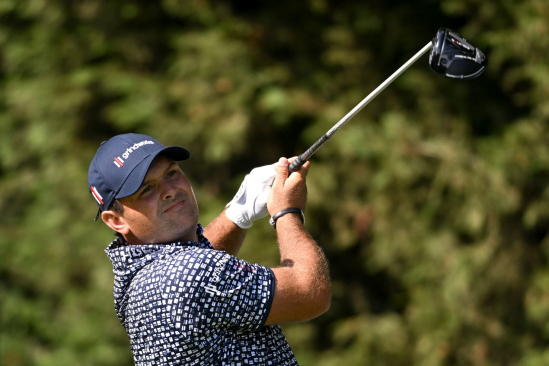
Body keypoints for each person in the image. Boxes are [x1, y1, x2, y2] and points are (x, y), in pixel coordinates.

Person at [88, 133, 331, 365]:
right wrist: (286, 211)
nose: (170, 191)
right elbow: (309, 292)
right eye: (147, 190)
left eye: (171, 173)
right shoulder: (190, 275)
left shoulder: (136, 278)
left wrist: (237, 214)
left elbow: (192, 268)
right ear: (116, 220)